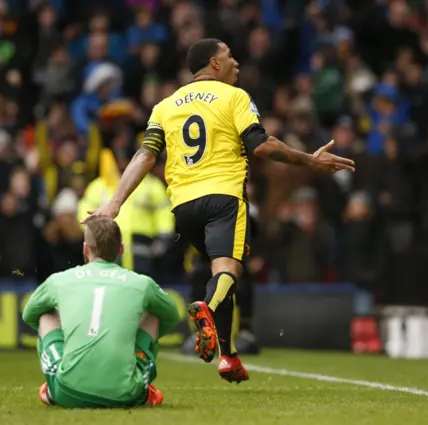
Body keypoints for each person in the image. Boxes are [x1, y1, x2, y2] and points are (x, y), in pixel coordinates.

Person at [83, 38, 355, 383]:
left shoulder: (165, 105)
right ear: (214, 63)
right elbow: (261, 145)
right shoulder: (235, 97)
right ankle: (206, 310)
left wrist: (115, 202)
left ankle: (228, 357)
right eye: (230, 56)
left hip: (183, 206)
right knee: (229, 272)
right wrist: (309, 161)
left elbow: (146, 155)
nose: (237, 63)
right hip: (224, 197)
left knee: (218, 276)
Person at [22, 216, 180, 408]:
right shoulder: (142, 283)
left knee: (45, 315)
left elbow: (29, 314)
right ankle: (141, 386)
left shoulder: (59, 280)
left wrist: (67, 330)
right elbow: (172, 316)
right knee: (154, 315)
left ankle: (54, 385)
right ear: (121, 250)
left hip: (68, 392)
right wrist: (133, 335)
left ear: (85, 249)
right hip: (126, 394)